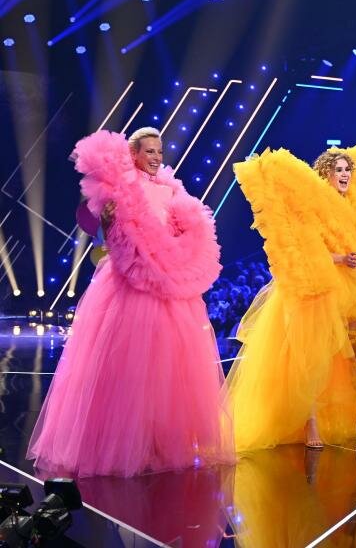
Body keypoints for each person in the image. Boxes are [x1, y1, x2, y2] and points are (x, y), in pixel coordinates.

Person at [27, 128, 232, 477]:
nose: (156, 157)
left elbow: (182, 229)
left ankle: (159, 443)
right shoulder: (121, 188)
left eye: (160, 151)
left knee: (168, 368)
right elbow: (99, 229)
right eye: (149, 151)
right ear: (134, 154)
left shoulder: (171, 189)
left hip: (168, 287)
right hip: (129, 284)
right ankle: (123, 446)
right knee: (129, 367)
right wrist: (108, 223)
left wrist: (178, 254)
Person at [226, 144, 356, 451]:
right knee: (313, 357)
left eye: (348, 169)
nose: (345, 174)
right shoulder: (314, 205)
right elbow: (305, 246)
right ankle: (311, 422)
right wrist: (340, 259)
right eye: (339, 170)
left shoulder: (355, 207)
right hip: (319, 288)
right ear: (325, 174)